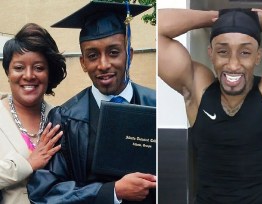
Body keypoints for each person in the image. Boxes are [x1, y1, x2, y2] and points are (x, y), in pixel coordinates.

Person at [158, 6, 262, 204]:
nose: (233, 64)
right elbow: (158, 28)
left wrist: (260, 19)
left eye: (245, 52)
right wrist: (218, 17)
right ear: (211, 54)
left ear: (258, 56)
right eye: (222, 51)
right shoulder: (197, 90)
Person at [27, 1, 156, 204]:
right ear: (83, 63)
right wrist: (113, 192)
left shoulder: (157, 106)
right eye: (93, 55)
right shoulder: (66, 118)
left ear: (129, 55)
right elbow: (46, 191)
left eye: (113, 52)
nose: (103, 65)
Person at [0, 23, 66, 204]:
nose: (29, 75)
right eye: (19, 67)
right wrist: (27, 164)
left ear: (49, 72)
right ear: (8, 71)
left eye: (38, 67)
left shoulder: (62, 118)